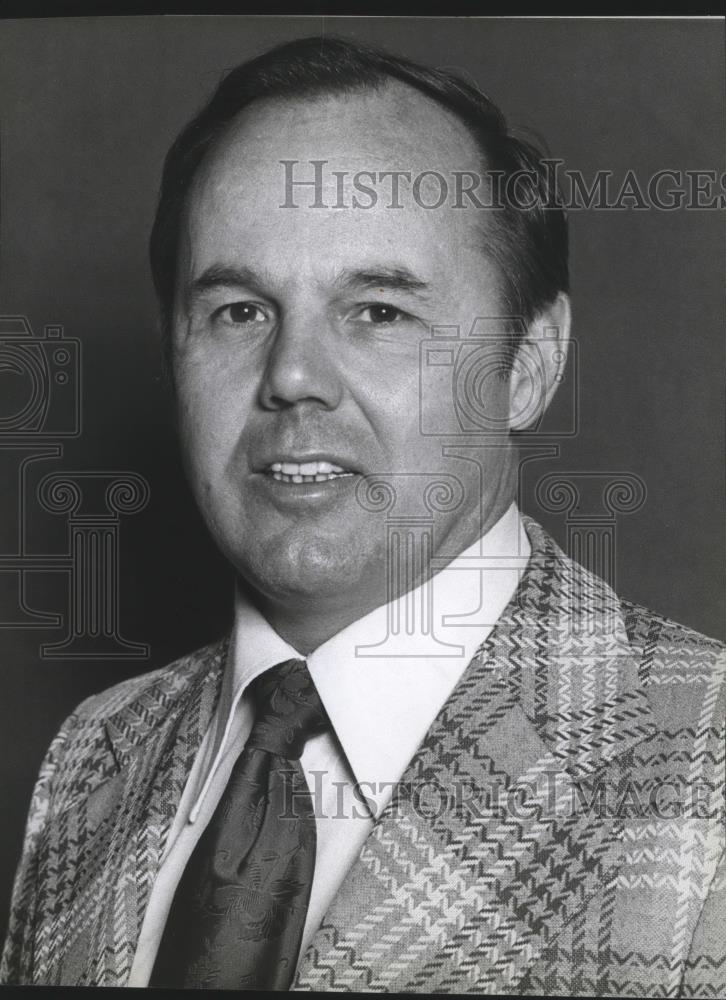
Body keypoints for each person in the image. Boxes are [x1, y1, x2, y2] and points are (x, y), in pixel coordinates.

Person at [1, 35, 723, 996]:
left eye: (379, 310)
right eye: (238, 311)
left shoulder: (703, 764)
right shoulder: (96, 755)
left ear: (530, 364)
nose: (293, 377)